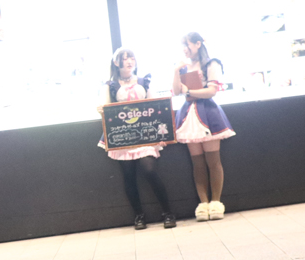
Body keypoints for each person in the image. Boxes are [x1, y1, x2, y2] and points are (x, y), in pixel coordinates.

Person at [98, 48, 176, 231]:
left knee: (149, 170)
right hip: (123, 135)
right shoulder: (110, 85)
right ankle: (138, 216)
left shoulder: (144, 82)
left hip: (145, 134)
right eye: (124, 58)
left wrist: (161, 134)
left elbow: (155, 107)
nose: (129, 61)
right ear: (116, 62)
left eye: (131, 58)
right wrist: (101, 110)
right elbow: (105, 108)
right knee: (129, 176)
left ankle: (168, 212)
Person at [171, 32, 235, 221]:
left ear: (198, 44)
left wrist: (189, 91)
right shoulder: (183, 67)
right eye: (183, 46)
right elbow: (176, 91)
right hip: (189, 115)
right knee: (197, 163)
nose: (185, 49)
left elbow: (212, 91)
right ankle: (203, 204)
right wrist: (176, 71)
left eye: (187, 45)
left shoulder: (210, 64)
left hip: (207, 113)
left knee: (213, 161)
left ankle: (216, 202)